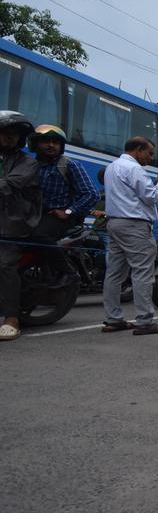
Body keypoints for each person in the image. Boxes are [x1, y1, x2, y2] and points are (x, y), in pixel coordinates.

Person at [101, 136, 158, 335]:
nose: (150, 158)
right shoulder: (133, 169)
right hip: (134, 225)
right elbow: (151, 196)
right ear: (138, 150)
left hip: (115, 222)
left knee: (114, 273)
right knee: (142, 273)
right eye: (149, 153)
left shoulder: (112, 167)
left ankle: (113, 318)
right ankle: (145, 320)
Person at [28, 124, 99, 285]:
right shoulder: (29, 166)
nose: (51, 145)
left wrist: (68, 211)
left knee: (39, 235)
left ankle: (67, 272)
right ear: (36, 144)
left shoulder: (69, 165)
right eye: (46, 141)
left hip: (58, 217)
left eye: (55, 142)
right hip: (33, 214)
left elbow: (91, 194)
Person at [0, 111, 42, 341]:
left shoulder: (27, 162)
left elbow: (9, 184)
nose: (8, 138)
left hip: (14, 222)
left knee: (5, 265)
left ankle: (11, 318)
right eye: (4, 134)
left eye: (13, 135)